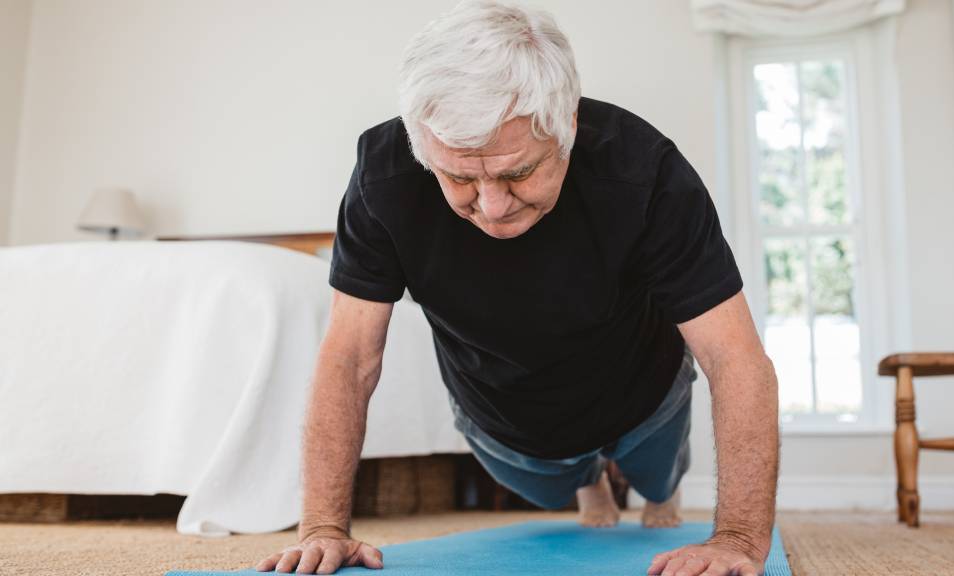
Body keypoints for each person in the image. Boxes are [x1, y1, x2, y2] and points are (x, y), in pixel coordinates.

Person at [258, 1, 779, 575]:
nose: (492, 207)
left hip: (645, 393)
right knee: (552, 485)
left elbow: (734, 358)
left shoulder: (646, 171)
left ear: (568, 126)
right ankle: (589, 484)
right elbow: (350, 355)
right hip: (504, 414)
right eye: (459, 177)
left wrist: (737, 537)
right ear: (421, 144)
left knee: (659, 477)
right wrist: (323, 528)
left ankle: (656, 493)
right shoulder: (384, 177)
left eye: (517, 172)